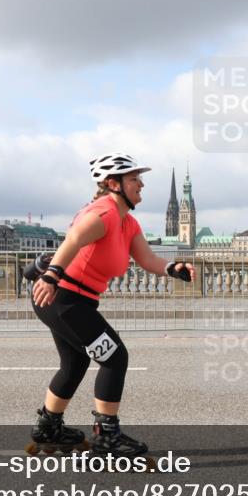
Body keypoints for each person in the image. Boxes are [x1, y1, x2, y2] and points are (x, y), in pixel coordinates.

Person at [26, 153, 196, 458]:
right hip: (62, 298)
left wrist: (172, 268)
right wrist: (51, 276)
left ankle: (49, 427)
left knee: (75, 363)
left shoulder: (127, 222)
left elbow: (147, 259)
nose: (141, 184)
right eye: (134, 179)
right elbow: (74, 239)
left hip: (75, 302)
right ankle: (107, 437)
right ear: (112, 184)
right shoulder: (103, 213)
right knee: (115, 357)